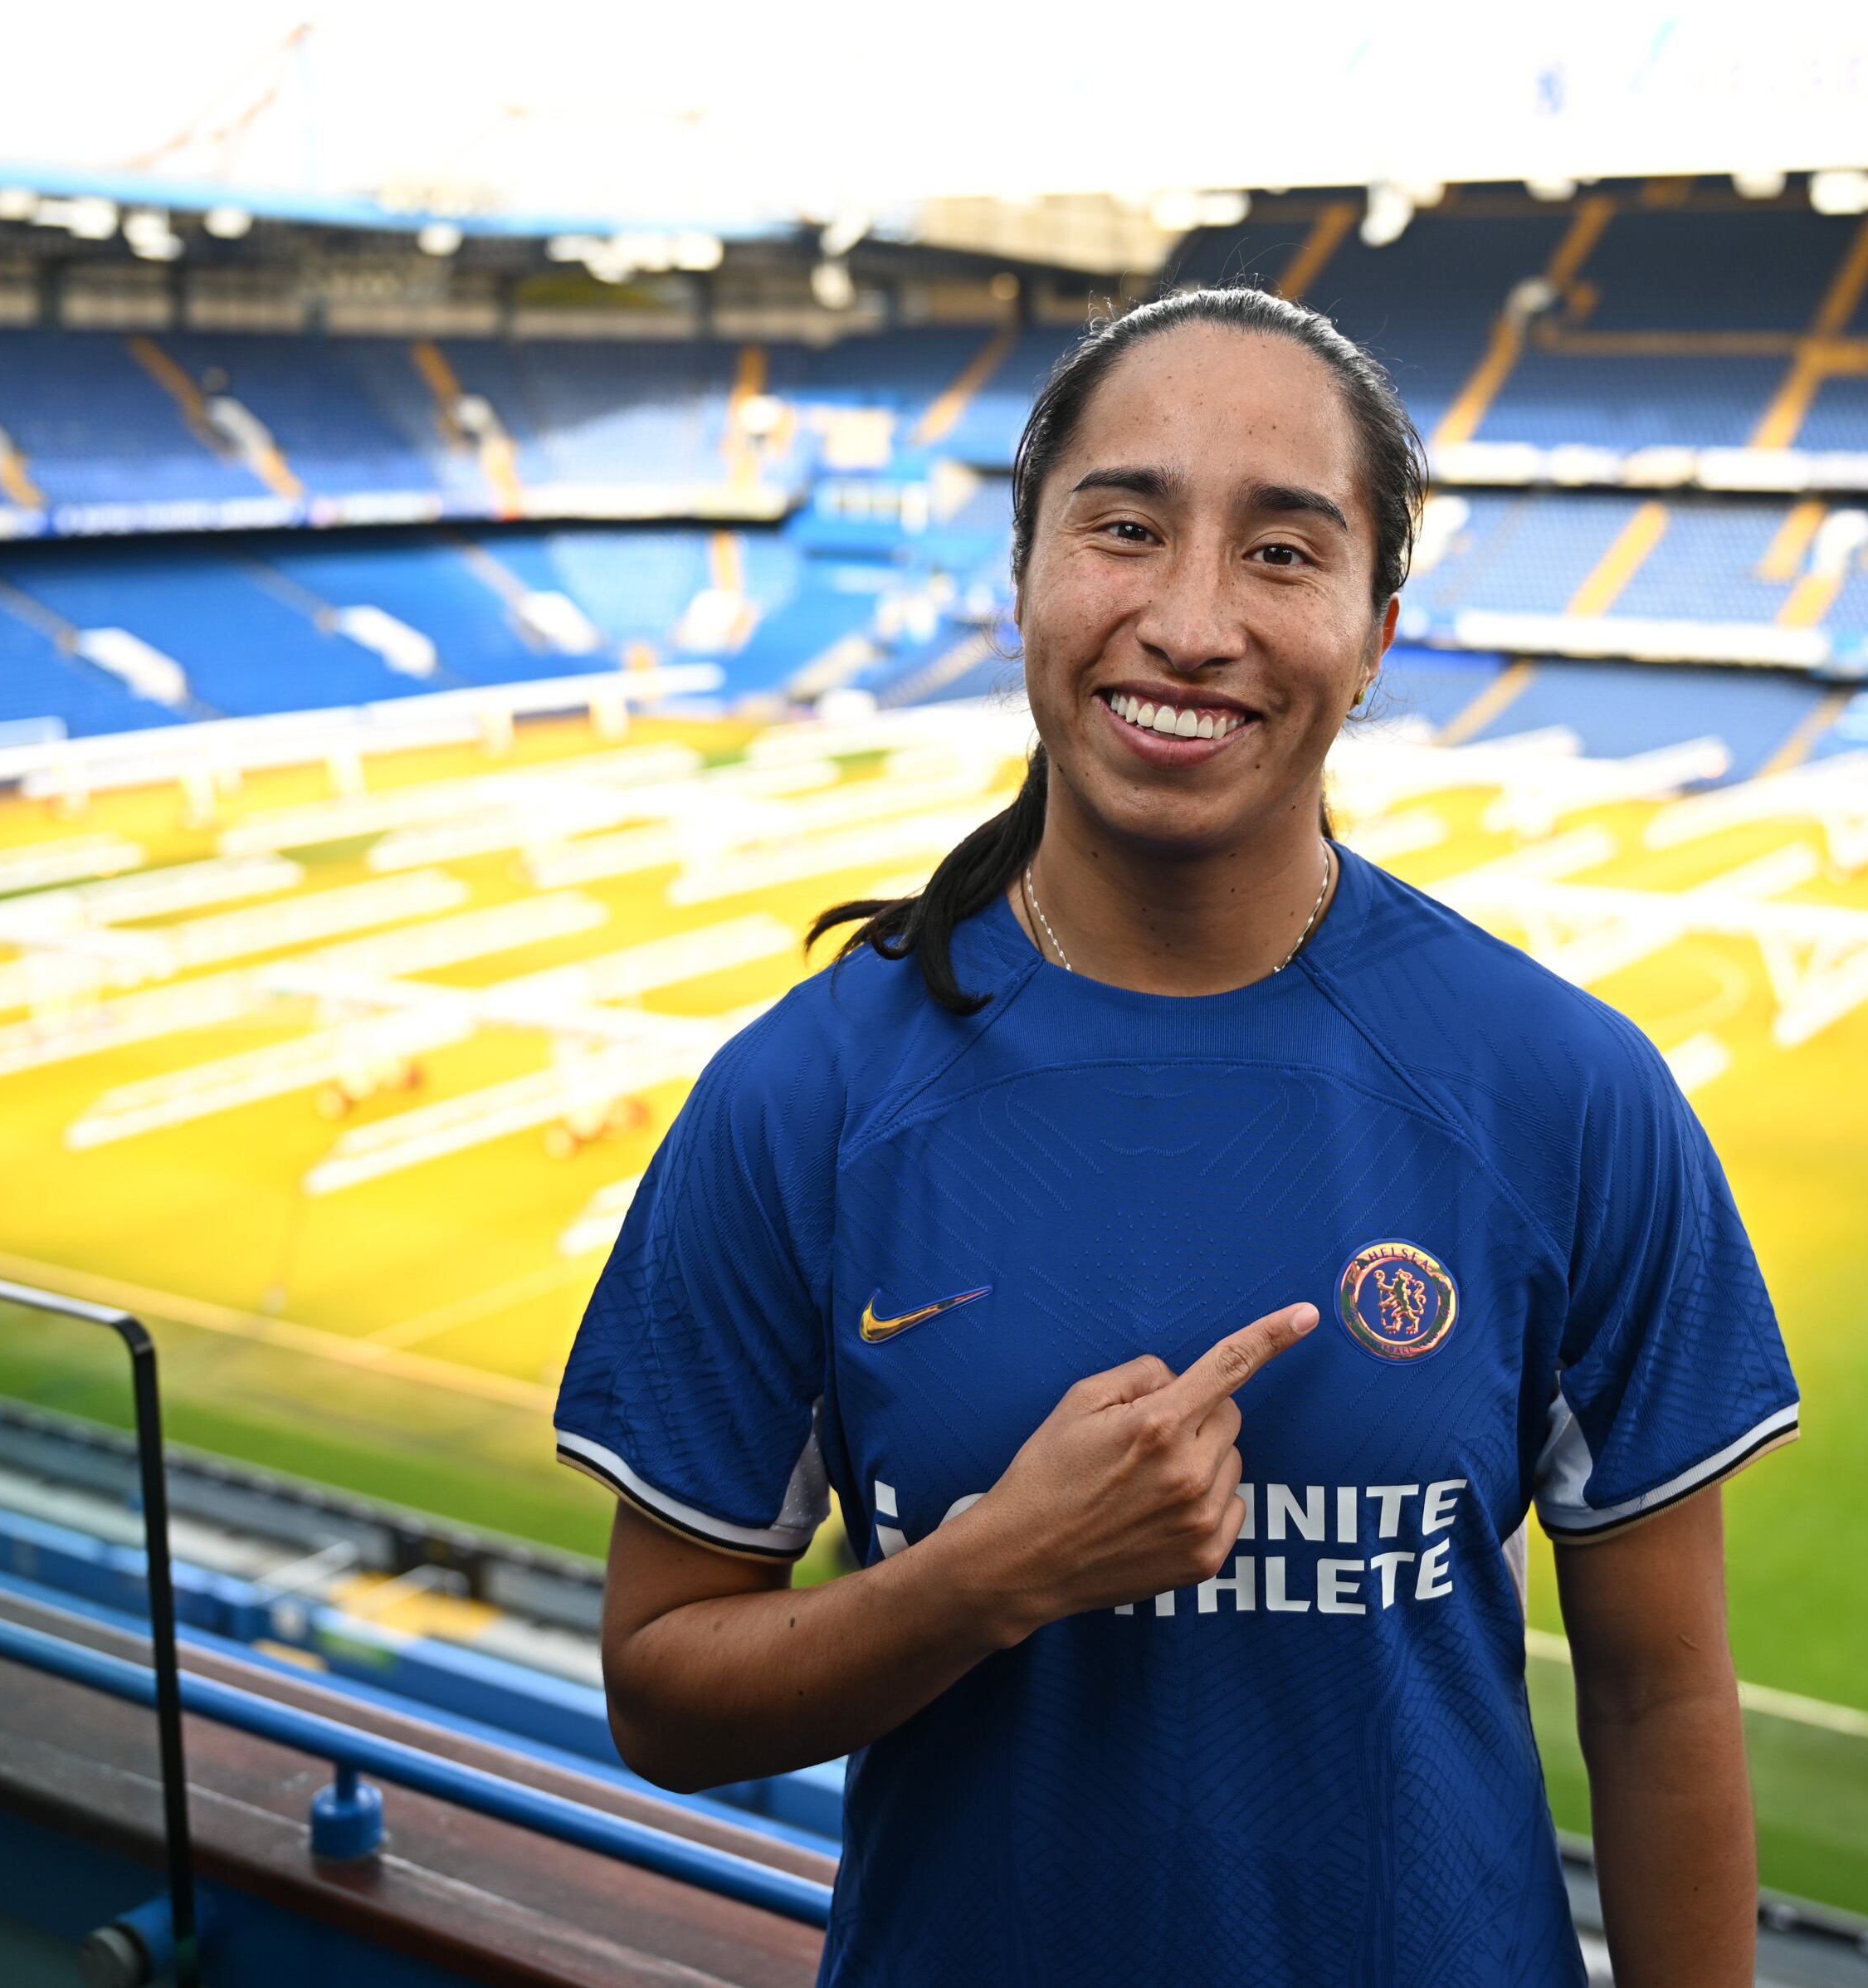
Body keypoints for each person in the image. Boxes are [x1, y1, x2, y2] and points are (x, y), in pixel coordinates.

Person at [555, 285, 1800, 1987]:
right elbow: (660, 1692)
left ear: (1372, 631)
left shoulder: (1564, 1093)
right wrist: (987, 1574)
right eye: (1125, 528)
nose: (1191, 620)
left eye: (1283, 553)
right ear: (1021, 579)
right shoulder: (802, 1100)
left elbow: (1659, 1699)